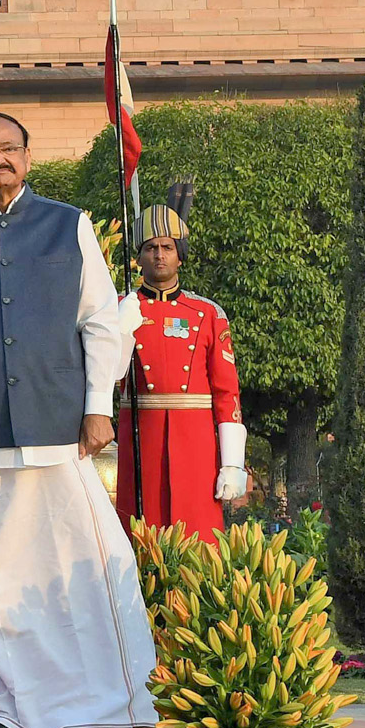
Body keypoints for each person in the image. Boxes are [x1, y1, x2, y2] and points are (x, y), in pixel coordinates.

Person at [0, 111, 156, 728]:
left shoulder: (67, 224)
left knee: (75, 575)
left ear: (28, 156)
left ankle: (85, 712)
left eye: (9, 148)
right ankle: (7, 714)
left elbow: (102, 323)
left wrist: (98, 405)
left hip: (60, 431)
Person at [115, 201, 247, 537]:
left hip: (196, 443)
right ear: (139, 258)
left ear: (180, 255)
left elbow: (226, 391)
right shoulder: (119, 309)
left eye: (167, 247)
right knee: (140, 536)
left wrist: (231, 461)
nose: (159, 255)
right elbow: (107, 380)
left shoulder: (206, 313)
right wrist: (118, 331)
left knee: (199, 537)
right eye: (150, 248)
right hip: (140, 438)